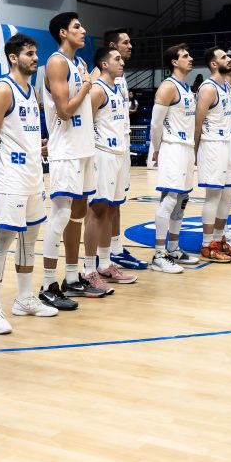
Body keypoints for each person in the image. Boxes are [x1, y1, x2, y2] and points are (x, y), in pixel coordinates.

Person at [0, 33, 59, 334]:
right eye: (29, 53)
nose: (35, 58)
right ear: (13, 58)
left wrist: (37, 147)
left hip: (33, 175)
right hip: (11, 177)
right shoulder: (3, 89)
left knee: (29, 239)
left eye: (36, 53)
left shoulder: (31, 90)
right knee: (4, 240)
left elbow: (20, 133)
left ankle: (24, 299)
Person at [40, 12, 105, 304]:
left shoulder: (79, 64)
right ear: (63, 33)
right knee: (61, 215)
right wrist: (89, 86)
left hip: (84, 147)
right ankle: (47, 284)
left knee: (78, 214)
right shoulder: (57, 62)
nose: (83, 30)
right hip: (66, 150)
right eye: (77, 26)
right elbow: (64, 110)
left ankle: (70, 277)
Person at [85, 45, 138, 287]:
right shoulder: (97, 90)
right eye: (117, 59)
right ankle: (89, 269)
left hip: (118, 154)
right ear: (104, 64)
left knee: (109, 209)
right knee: (96, 211)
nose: (122, 62)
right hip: (102, 154)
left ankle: (105, 264)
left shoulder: (117, 88)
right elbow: (84, 124)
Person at [148, 43, 199, 273]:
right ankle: (159, 255)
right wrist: (157, 149)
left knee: (182, 199)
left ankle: (173, 248)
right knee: (169, 199)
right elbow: (155, 124)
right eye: (185, 56)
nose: (190, 58)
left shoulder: (187, 88)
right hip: (172, 147)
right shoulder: (168, 87)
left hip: (186, 148)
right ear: (174, 62)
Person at [102, 29, 148, 271]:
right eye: (125, 43)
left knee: (117, 201)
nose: (130, 46)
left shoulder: (120, 77)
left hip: (122, 142)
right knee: (103, 204)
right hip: (106, 149)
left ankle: (116, 248)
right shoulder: (99, 77)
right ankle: (102, 254)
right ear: (113, 46)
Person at [193, 47, 231, 264]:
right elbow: (197, 122)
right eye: (223, 58)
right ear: (214, 64)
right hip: (213, 145)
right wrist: (194, 151)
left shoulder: (229, 87)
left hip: (230, 143)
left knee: (229, 194)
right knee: (214, 195)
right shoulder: (208, 88)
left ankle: (219, 239)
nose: (228, 60)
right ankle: (207, 244)